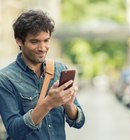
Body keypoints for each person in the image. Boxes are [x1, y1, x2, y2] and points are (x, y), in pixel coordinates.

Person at [0, 10, 85, 140]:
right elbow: (14, 131)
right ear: (19, 41)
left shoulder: (59, 69)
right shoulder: (5, 79)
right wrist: (48, 104)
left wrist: (68, 105)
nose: (42, 47)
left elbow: (79, 122)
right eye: (35, 42)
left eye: (46, 40)